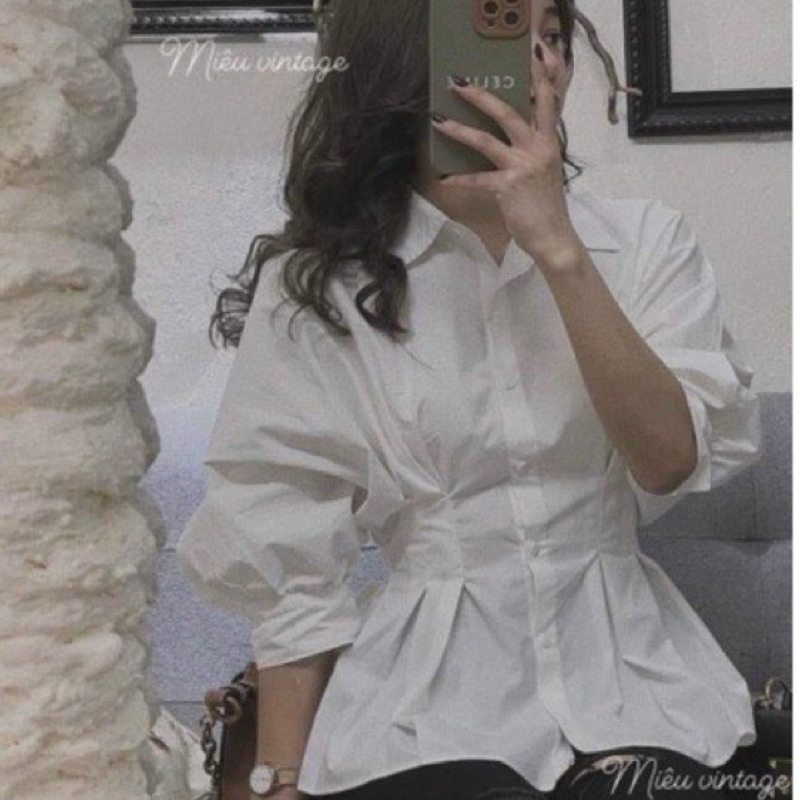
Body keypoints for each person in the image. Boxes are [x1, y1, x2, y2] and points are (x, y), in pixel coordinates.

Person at [176, 1, 778, 798]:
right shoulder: (320, 287)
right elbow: (290, 558)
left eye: (552, 36)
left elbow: (668, 461)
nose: (540, 65)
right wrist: (278, 778)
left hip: (641, 695)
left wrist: (558, 249)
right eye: (499, 35)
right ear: (411, 63)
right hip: (424, 714)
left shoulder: (645, 245)